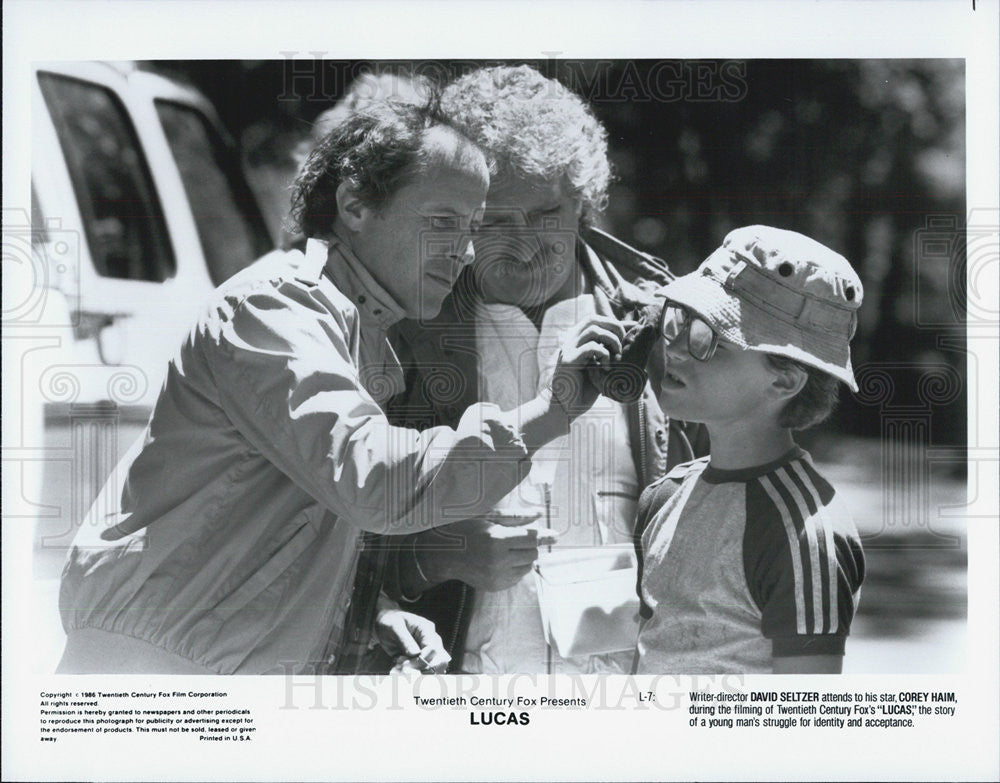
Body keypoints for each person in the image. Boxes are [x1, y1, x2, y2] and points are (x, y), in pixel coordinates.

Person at [56, 95, 627, 675]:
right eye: (444, 221)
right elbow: (372, 478)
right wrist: (548, 414)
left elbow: (283, 527)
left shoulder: (359, 332)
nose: (467, 250)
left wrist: (361, 618)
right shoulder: (274, 308)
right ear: (354, 204)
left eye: (474, 227)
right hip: (156, 681)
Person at [378, 65, 706, 674]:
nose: (524, 245)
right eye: (496, 221)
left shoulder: (662, 323)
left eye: (546, 214)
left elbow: (717, 529)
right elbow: (329, 533)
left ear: (583, 201)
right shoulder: (403, 329)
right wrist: (431, 557)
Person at [633, 225, 866, 674]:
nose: (675, 349)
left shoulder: (806, 536)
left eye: (708, 338)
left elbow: (806, 723)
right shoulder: (663, 497)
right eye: (678, 320)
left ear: (784, 379)